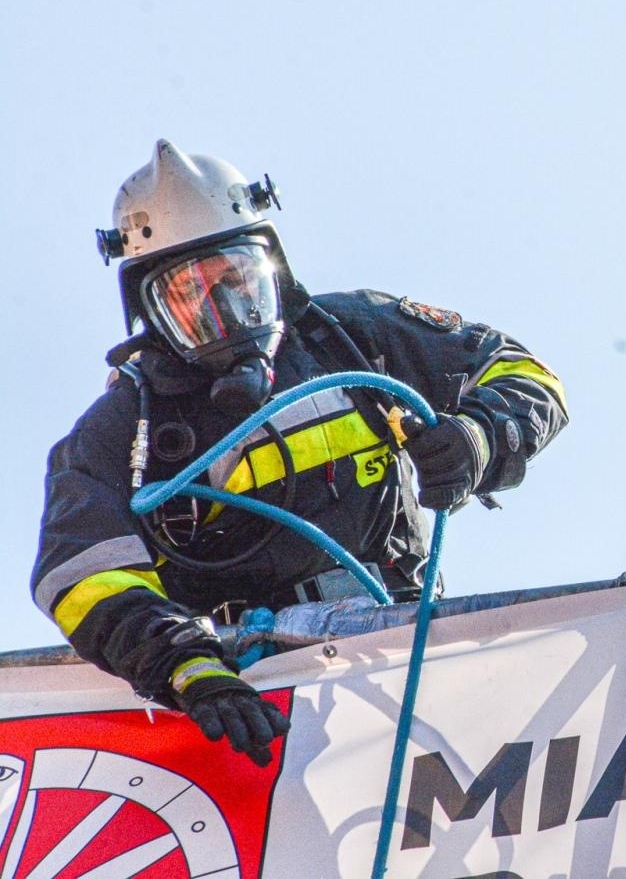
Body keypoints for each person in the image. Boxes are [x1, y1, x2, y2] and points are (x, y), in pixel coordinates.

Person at [31, 140, 569, 764]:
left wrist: (479, 436)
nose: (224, 310)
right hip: (244, 695)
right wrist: (186, 666)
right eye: (190, 293)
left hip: (396, 642)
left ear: (273, 271)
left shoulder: (353, 337)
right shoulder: (123, 427)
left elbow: (525, 373)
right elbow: (80, 573)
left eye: (237, 280)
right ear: (151, 311)